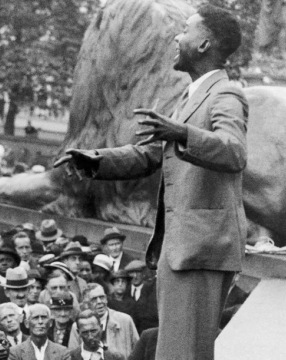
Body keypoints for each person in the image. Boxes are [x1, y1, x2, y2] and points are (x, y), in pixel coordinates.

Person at [54, 5, 247, 359]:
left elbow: (234, 152)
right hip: (184, 249)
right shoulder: (191, 97)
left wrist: (183, 131)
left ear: (203, 44)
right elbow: (150, 154)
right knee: (177, 352)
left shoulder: (226, 94)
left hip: (200, 249)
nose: (176, 36)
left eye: (185, 30)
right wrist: (96, 161)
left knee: (181, 354)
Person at [68, 284, 139, 359]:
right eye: (94, 299)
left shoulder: (125, 320)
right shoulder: (77, 325)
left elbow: (139, 352)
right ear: (86, 303)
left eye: (102, 297)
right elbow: (73, 355)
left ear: (106, 299)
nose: (99, 302)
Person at [123, 261, 158, 335]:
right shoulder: (124, 291)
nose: (135, 276)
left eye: (138, 273)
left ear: (143, 274)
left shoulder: (151, 290)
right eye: (132, 273)